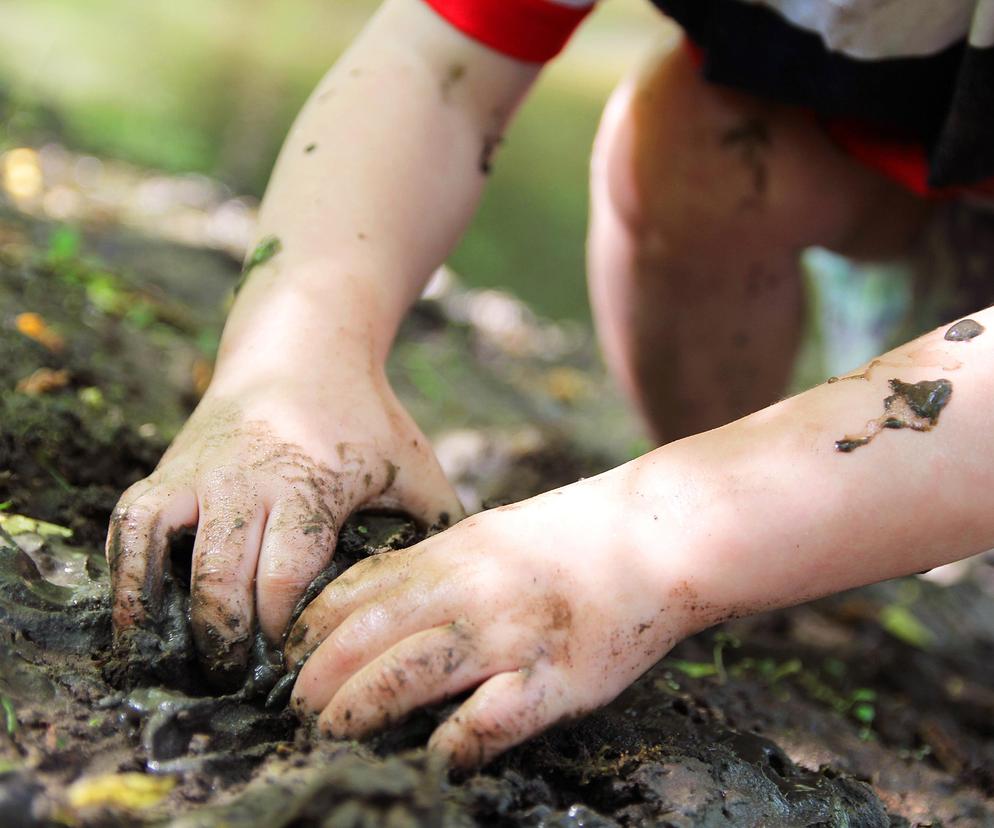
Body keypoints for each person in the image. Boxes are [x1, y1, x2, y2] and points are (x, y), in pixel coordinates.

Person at [106, 0, 994, 767]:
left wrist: (646, 539)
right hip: (901, 158)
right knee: (700, 139)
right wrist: (294, 362)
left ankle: (761, 544)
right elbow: (437, 57)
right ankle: (791, 565)